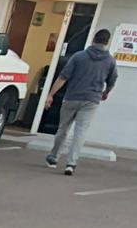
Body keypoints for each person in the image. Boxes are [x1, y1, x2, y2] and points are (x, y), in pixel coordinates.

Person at [45, 29, 119, 176]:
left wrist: (51, 94)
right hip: (91, 100)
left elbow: (63, 77)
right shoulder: (110, 61)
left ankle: (53, 157)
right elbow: (112, 80)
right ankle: (71, 164)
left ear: (93, 39)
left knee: (63, 129)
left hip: (72, 97)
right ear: (107, 42)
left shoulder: (78, 57)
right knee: (80, 132)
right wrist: (105, 93)